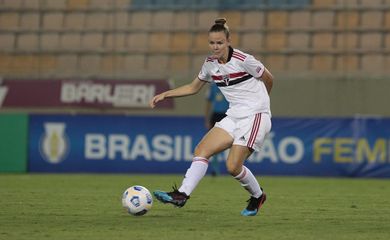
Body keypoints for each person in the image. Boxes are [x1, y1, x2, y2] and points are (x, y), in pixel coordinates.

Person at [149, 18, 274, 216]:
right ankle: (181, 195)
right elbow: (192, 87)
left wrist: (262, 104)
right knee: (201, 150)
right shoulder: (210, 64)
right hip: (234, 115)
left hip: (255, 116)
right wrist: (166, 94)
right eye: (212, 43)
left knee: (233, 167)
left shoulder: (244, 60)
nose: (215, 47)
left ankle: (258, 197)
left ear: (228, 41)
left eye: (220, 43)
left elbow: (268, 78)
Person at [204, 83, 229, 176]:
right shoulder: (213, 86)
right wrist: (207, 119)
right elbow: (208, 102)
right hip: (215, 115)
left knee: (233, 142)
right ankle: (215, 169)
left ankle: (235, 167)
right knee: (214, 143)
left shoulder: (231, 83)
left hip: (228, 115)